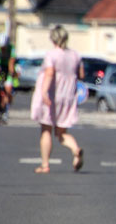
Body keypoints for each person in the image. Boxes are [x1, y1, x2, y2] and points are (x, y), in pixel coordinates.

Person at [30, 26, 85, 174]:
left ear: (53, 39)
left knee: (46, 129)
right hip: (68, 96)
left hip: (53, 94)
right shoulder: (75, 55)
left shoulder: (52, 55)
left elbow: (49, 73)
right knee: (61, 132)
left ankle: (45, 165)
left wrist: (43, 92)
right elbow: (81, 74)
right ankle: (75, 149)